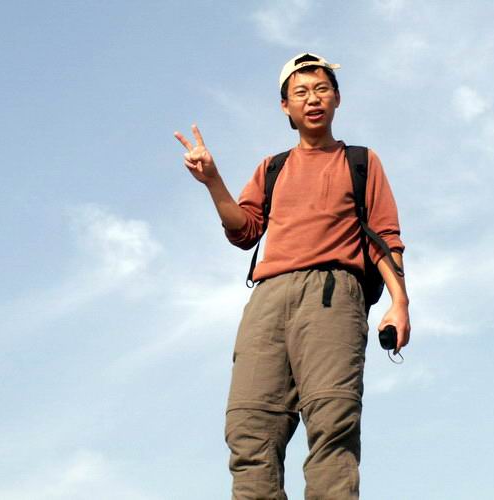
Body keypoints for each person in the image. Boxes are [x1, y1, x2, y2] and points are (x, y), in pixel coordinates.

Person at [174, 53, 410, 499]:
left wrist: (400, 303)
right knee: (249, 427)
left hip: (331, 295)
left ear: (337, 98)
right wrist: (213, 181)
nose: (312, 99)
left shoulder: (360, 161)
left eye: (321, 90)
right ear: (285, 106)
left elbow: (384, 239)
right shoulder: (273, 167)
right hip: (268, 300)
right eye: (300, 93)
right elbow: (244, 231)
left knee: (331, 422)